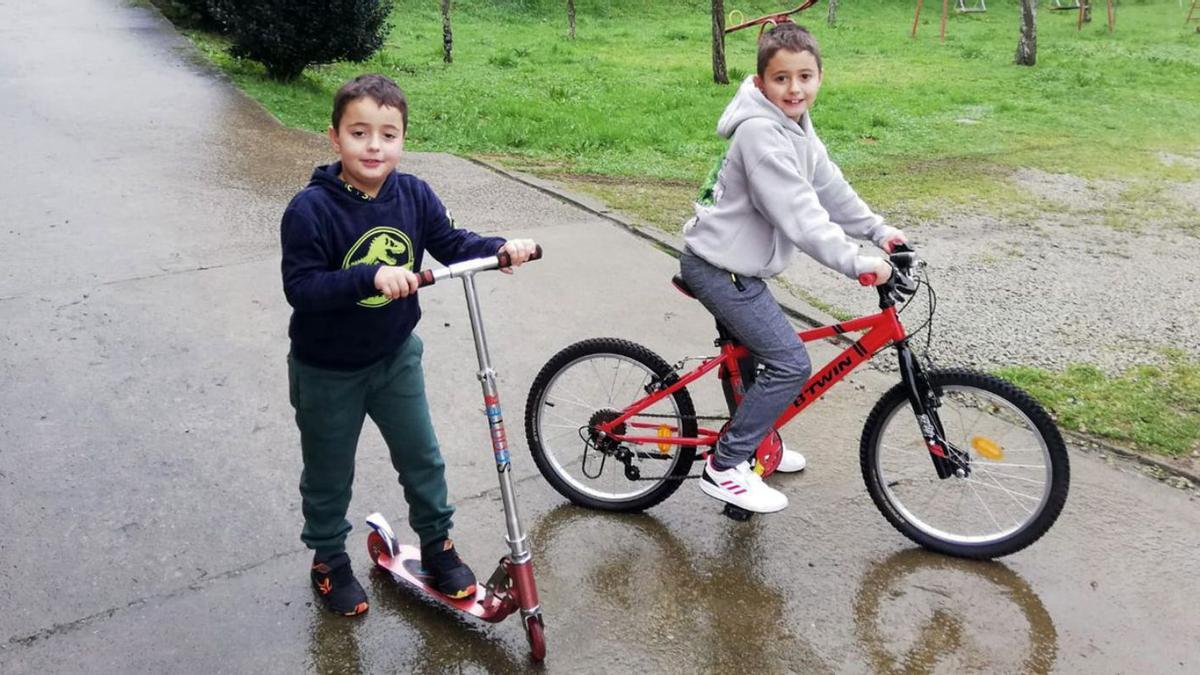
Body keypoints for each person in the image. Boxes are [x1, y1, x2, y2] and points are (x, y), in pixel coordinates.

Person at [280, 74, 538, 616]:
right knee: (329, 471)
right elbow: (301, 289)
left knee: (422, 457)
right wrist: (368, 276)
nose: (374, 146)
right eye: (359, 133)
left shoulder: (414, 194)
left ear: (402, 139)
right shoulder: (310, 210)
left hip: (395, 357)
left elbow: (451, 243)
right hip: (327, 369)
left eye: (388, 134)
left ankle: (438, 545)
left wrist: (500, 248)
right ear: (335, 138)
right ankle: (328, 558)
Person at [681, 23, 906, 514]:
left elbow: (829, 188)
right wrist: (857, 264)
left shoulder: (796, 126)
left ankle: (754, 445)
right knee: (788, 363)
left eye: (805, 76)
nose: (795, 88)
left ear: (820, 77)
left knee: (754, 360)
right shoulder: (762, 134)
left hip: (733, 263)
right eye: (781, 78)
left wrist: (880, 231)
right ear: (760, 83)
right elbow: (802, 217)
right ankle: (726, 466)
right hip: (721, 268)